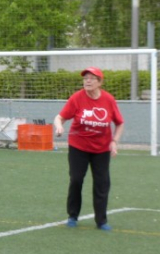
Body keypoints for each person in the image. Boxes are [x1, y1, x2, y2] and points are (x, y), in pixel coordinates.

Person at [53, 67, 125, 231]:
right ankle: (72, 216)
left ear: (100, 82)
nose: (88, 81)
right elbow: (60, 117)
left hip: (101, 149)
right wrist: (59, 127)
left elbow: (119, 123)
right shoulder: (77, 98)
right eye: (86, 78)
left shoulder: (108, 100)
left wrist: (115, 141)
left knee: (102, 183)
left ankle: (101, 221)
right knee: (76, 179)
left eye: (92, 78)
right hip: (79, 146)